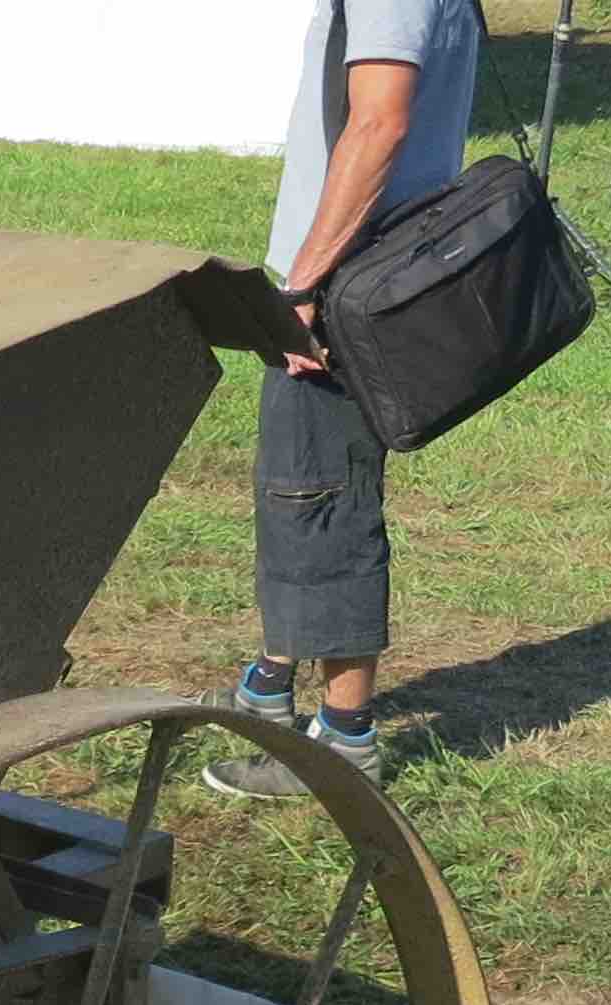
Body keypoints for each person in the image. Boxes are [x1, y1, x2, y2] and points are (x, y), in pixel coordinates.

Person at [205, 0, 484, 801]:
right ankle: (269, 683)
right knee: (300, 487)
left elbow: (381, 126)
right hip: (365, 277)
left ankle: (344, 742)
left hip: (345, 290)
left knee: (325, 500)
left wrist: (304, 283)